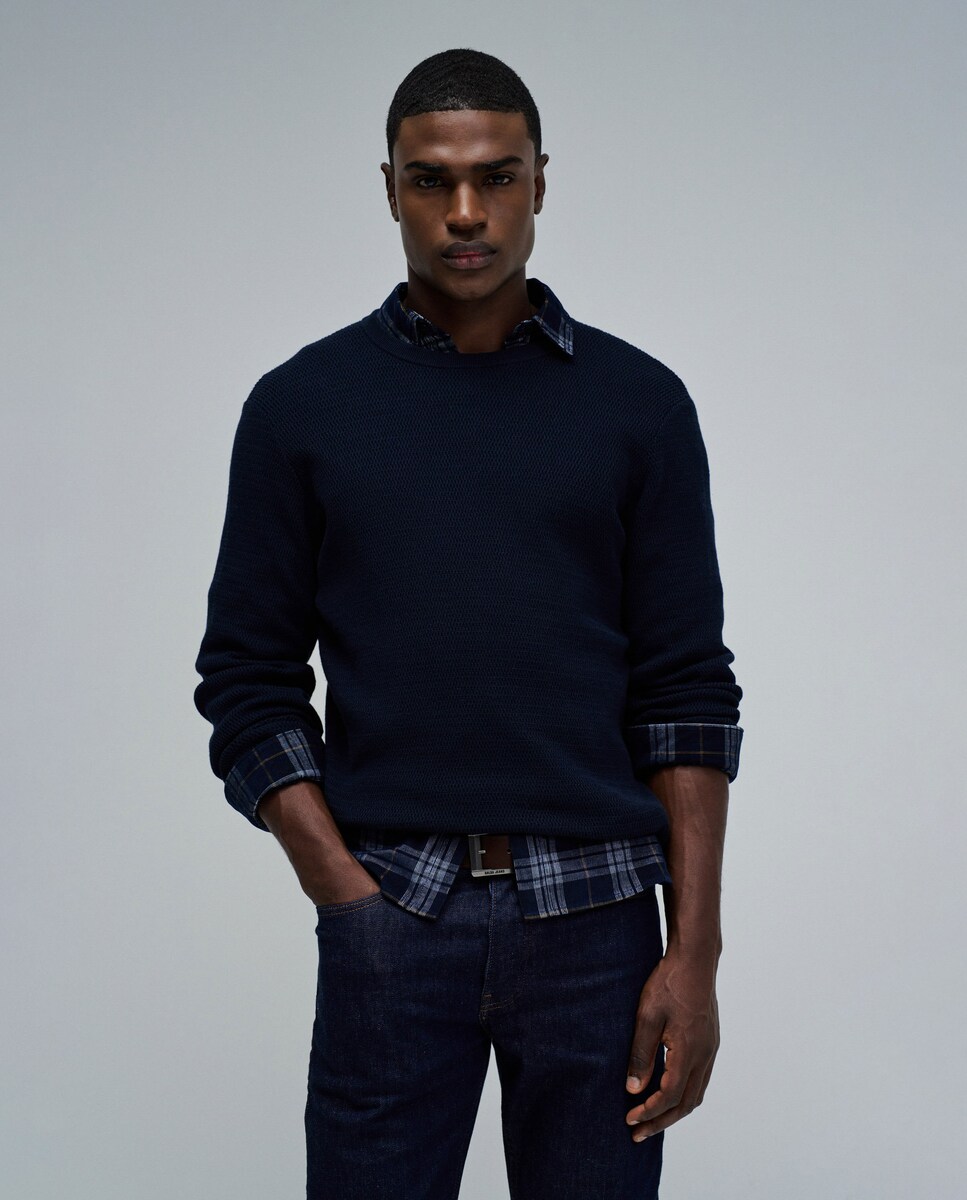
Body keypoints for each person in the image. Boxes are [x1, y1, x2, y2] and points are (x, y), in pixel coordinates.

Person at [194, 47, 743, 1200]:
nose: (463, 212)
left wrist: (692, 952)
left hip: (600, 921)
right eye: (428, 180)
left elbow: (686, 691)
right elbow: (246, 678)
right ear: (387, 188)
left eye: (495, 177)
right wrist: (343, 894)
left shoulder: (639, 405)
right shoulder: (302, 408)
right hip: (397, 912)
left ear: (540, 181)